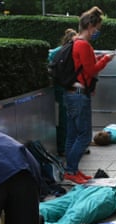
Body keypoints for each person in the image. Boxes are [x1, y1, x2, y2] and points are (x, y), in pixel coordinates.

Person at [63, 6, 115, 185]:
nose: (97, 32)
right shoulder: (83, 45)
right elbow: (91, 71)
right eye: (97, 28)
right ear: (91, 27)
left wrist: (96, 56)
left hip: (70, 93)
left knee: (72, 134)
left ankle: (71, 170)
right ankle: (71, 170)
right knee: (84, 136)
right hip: (79, 95)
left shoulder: (75, 42)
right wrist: (106, 59)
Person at [49, 28, 78, 156]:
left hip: (60, 88)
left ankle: (64, 146)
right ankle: (67, 147)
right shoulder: (72, 52)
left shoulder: (56, 52)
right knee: (69, 119)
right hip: (69, 89)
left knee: (63, 120)